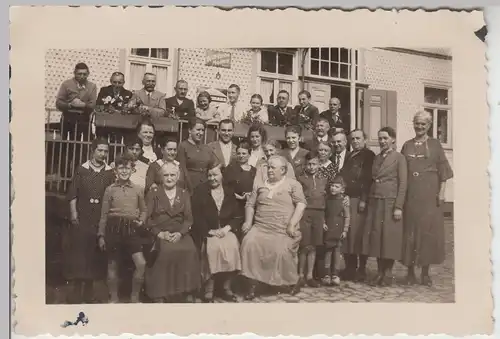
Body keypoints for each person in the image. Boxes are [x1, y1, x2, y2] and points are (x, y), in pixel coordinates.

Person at [240, 155, 307, 300]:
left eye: (272, 167)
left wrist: (291, 224)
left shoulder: (293, 184)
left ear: (283, 170)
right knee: (249, 243)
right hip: (261, 226)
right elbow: (250, 204)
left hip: (282, 229)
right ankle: (253, 283)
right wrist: (248, 222)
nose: (269, 170)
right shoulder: (259, 184)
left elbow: (301, 205)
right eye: (268, 167)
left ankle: (292, 281)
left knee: (280, 250)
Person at [401, 110, 453, 286]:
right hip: (411, 194)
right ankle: (409, 272)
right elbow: (401, 172)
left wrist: (442, 192)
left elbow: (444, 172)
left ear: (429, 126)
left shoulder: (436, 145)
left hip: (430, 194)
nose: (420, 127)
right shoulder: (407, 145)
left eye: (423, 124)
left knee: (427, 232)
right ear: (413, 124)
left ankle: (425, 272)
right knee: (410, 231)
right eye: (417, 123)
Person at [64, 138, 114, 304]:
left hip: (98, 217)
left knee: (94, 254)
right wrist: (73, 213)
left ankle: (89, 292)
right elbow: (73, 194)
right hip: (83, 216)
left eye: (106, 151)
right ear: (93, 150)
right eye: (100, 150)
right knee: (80, 253)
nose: (103, 154)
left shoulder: (109, 172)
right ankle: (76, 292)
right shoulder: (82, 169)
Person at [144, 162, 201, 303]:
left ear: (178, 176)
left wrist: (181, 233)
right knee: (165, 251)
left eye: (172, 175)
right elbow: (146, 219)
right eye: (166, 175)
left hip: (179, 233)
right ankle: (159, 293)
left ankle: (186, 290)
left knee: (189, 249)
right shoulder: (154, 193)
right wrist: (159, 233)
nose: (169, 178)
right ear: (161, 177)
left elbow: (188, 219)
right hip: (160, 233)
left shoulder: (184, 193)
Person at [97, 153, 148, 303]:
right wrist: (101, 235)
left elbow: (144, 210)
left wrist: (141, 221)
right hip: (114, 228)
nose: (124, 171)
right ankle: (113, 298)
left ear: (133, 170)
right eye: (121, 168)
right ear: (115, 171)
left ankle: (134, 297)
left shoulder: (138, 189)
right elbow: (104, 214)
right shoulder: (110, 190)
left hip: (131, 229)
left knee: (141, 263)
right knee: (113, 264)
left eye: (127, 168)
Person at [361, 127, 407, 287]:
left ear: (393, 139)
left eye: (385, 138)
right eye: (380, 138)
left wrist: (398, 206)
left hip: (390, 202)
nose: (382, 141)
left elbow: (403, 184)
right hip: (376, 201)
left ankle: (387, 273)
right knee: (377, 238)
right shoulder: (377, 158)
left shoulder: (399, 158)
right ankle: (380, 272)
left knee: (389, 239)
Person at [192, 164, 242, 303]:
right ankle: (209, 287)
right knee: (212, 248)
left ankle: (226, 287)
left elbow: (237, 216)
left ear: (222, 176)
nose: (212, 178)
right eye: (209, 175)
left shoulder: (229, 192)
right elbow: (196, 216)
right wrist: (210, 231)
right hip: (209, 230)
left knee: (232, 246)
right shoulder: (200, 191)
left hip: (225, 230)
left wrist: (227, 228)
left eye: (215, 175)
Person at [339, 129, 375, 282]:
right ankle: (350, 268)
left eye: (358, 138)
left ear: (365, 140)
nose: (355, 141)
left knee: (360, 235)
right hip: (348, 198)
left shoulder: (368, 156)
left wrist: (364, 199)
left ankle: (361, 269)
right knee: (349, 235)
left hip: (360, 199)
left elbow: (368, 179)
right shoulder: (350, 155)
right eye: (352, 139)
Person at [297, 152, 327, 288]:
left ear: (319, 165)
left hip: (319, 215)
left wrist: (324, 220)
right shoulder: (301, 179)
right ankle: (300, 275)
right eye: (309, 164)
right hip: (305, 214)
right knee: (304, 246)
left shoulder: (324, 179)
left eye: (314, 164)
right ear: (305, 165)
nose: (311, 167)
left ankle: (310, 276)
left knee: (313, 246)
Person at [222, 141, 257, 242]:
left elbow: (257, 188)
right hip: (234, 206)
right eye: (239, 153)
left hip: (249, 208)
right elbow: (224, 187)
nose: (241, 156)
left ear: (249, 154)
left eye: (244, 153)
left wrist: (251, 195)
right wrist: (238, 196)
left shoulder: (254, 171)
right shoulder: (230, 168)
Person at [322, 176, 351, 286]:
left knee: (337, 252)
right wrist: (323, 223)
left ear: (342, 189)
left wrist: (345, 230)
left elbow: (347, 217)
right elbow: (323, 213)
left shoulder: (343, 201)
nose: (333, 188)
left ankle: (335, 274)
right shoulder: (327, 199)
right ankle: (326, 274)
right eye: (332, 186)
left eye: (336, 186)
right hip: (329, 228)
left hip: (338, 228)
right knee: (328, 251)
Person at [56, 62, 97, 135]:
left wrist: (83, 105)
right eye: (79, 74)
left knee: (83, 144)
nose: (82, 76)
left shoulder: (92, 86)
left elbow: (93, 104)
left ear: (88, 74)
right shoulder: (66, 84)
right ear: (74, 73)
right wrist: (70, 105)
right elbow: (59, 103)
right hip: (68, 119)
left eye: (84, 74)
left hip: (84, 119)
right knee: (66, 143)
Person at [177, 117, 217, 193]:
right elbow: (182, 170)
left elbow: (212, 167)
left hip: (205, 187)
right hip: (189, 187)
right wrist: (189, 188)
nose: (201, 133)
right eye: (198, 130)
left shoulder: (207, 148)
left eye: (202, 130)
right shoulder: (183, 146)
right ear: (190, 130)